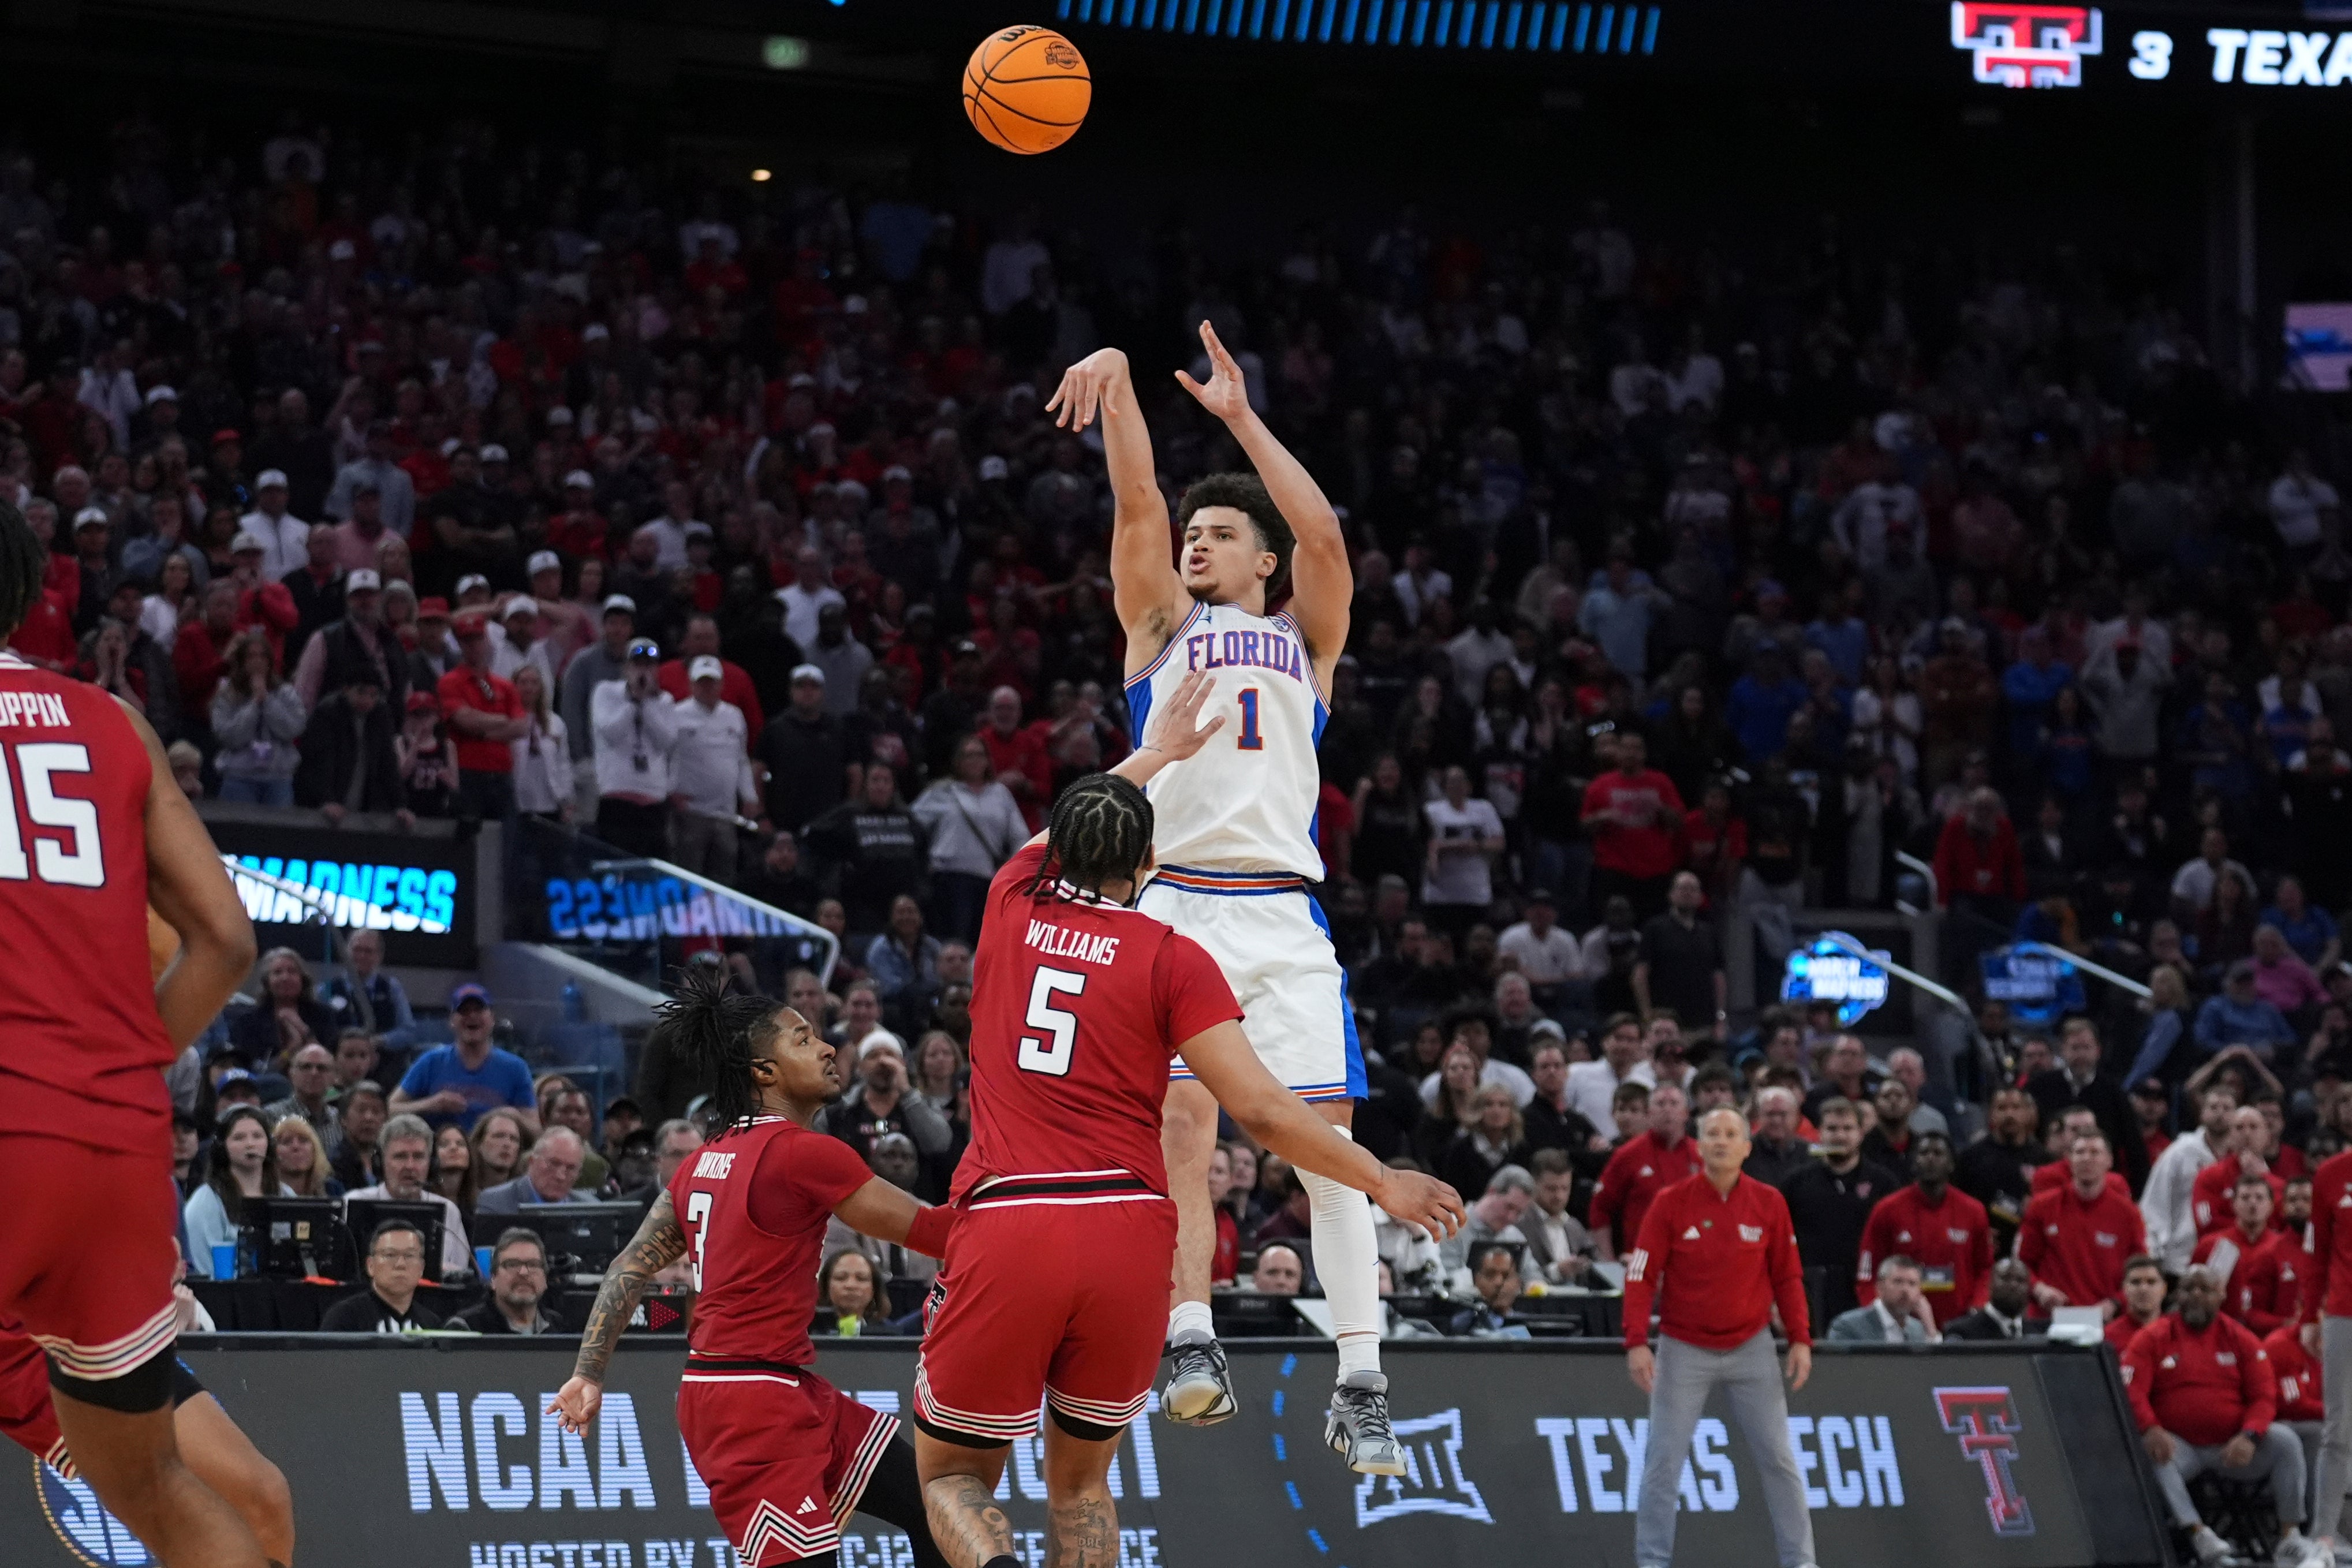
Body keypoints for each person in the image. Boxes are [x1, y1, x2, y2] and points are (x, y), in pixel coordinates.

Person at [908, 669, 1465, 1567]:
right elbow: (1264, 1113)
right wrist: (1381, 1180)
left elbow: (1078, 821)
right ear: (1149, 868)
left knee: (949, 1478)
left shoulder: (1010, 898)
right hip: (1131, 1242)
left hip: (1013, 1221)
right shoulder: (1172, 955)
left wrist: (1157, 752)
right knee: (1083, 1487)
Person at [1054, 332, 1410, 1462]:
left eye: (1222, 533)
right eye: (1196, 533)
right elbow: (1138, 503)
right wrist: (1116, 381)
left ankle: (1361, 1377)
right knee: (1180, 1126)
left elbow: (1325, 534)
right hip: (1173, 905)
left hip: (1281, 911)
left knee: (1330, 1151)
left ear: (1263, 562)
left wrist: (1244, 420)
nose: (1197, 541)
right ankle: (1193, 1333)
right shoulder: (1160, 628)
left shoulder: (1307, 639)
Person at [0, 500, 275, 1568]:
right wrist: (114, 1068)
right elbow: (227, 944)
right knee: (156, 1486)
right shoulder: (112, 721)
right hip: (115, 1152)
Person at [547, 970, 969, 1568]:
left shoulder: (700, 1162)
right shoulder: (804, 1153)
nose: (827, 1047)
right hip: (750, 1403)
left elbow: (626, 1266)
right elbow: (934, 1232)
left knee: (938, 1511)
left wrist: (587, 1374)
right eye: (802, 1039)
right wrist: (1012, 1200)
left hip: (777, 1386)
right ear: (763, 1073)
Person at [1623, 1107, 1816, 1568]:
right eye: (1713, 1134)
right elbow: (1641, 1274)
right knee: (1663, 1463)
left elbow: (1788, 1276)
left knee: (1780, 1461)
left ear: (1748, 1147)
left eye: (1732, 1134)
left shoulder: (1769, 1203)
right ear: (1699, 1145)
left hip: (1752, 1346)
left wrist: (1801, 1338)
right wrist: (1635, 1340)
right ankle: (1652, 1562)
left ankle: (1802, 1562)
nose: (1722, 1142)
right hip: (1684, 1346)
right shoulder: (1671, 1202)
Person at [2127, 1265, 2328, 1567]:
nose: (2196, 1295)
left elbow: (2264, 1395)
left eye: (2205, 1289)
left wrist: (2251, 1434)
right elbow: (2132, 1390)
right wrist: (2150, 1428)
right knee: (2150, 1453)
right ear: (2177, 1295)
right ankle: (2198, 1533)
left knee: (2286, 1440)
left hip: (2233, 1447)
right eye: (2189, 1289)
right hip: (2179, 1446)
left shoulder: (2241, 1338)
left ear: (2221, 1296)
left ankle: (2290, 1536)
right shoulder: (2152, 1337)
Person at [1853, 1130, 1992, 1330]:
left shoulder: (1973, 1211)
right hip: (1901, 1326)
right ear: (1914, 1162)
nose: (1930, 1159)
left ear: (1951, 1164)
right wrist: (1880, 1317)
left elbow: (1985, 1268)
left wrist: (1978, 1307)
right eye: (1924, 1153)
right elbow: (1868, 1271)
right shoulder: (1887, 1209)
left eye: (1938, 1153)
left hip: (1961, 1325)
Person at [1779, 1096, 1899, 1323]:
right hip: (1809, 1292)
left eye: (1848, 1128)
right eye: (1832, 1128)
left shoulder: (1884, 1184)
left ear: (1861, 1134)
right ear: (1819, 1133)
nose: (1840, 1135)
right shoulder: (1795, 1183)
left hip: (1865, 1292)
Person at [2021, 1131, 2146, 1314]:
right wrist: (2040, 1290)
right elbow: (2023, 1264)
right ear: (2069, 1160)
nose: (2087, 1158)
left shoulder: (2128, 1214)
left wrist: (2115, 1303)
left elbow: (2140, 1271)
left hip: (2105, 1320)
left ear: (2109, 1161)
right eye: (2080, 1152)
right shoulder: (2042, 1207)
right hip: (2050, 1317)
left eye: (2095, 1152)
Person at [389, 984, 539, 1133]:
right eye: (464, 1011)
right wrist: (432, 1104)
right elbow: (391, 1109)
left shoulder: (515, 1068)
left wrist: (512, 1116)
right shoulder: (431, 1061)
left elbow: (535, 1130)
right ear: (452, 1021)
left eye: (479, 1010)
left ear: (492, 1018)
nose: (472, 1016)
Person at [342, 1113, 473, 1279]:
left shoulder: (448, 1211)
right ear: (380, 1163)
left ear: (432, 1164)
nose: (410, 1166)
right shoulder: (354, 1202)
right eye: (400, 1156)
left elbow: (460, 1277)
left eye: (418, 1157)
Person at [1588, 1081, 1700, 1260]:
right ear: (1649, 1114)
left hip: (1692, 1260)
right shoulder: (1628, 1155)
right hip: (1642, 1261)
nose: (1667, 1110)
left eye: (1674, 1104)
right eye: (1661, 1104)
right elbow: (1599, 1209)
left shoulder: (1701, 1156)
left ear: (1686, 1114)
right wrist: (1609, 1263)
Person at [2190, 1171, 2300, 1335]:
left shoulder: (2287, 1248)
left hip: (2272, 1335)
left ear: (2271, 1205)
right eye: (2245, 1198)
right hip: (2219, 1334)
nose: (2253, 1204)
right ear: (2233, 1204)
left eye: (2259, 1198)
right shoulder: (2210, 1246)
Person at [1633, 870, 1726, 1041]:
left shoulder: (1709, 932)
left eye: (1693, 889)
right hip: (1666, 1023)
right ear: (1671, 895)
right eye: (1682, 888)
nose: (1687, 893)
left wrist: (1720, 1017)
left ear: (1700, 897)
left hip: (1703, 1024)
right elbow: (1641, 973)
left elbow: (1718, 976)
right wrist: (1646, 1014)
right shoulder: (1655, 928)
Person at [317, 1219, 444, 1334]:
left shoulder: (431, 1324)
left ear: (421, 1268)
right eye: (390, 1255)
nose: (400, 1264)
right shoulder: (344, 1318)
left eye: (410, 1256)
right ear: (370, 1266)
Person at [449, 1230, 570, 1335]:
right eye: (512, 1265)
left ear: (545, 1279)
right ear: (493, 1279)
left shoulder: (558, 1326)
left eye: (533, 1265)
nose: (523, 1272)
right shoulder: (464, 1328)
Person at [475, 1126, 597, 1212]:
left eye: (571, 1168)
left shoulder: (591, 1208)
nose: (561, 1176)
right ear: (532, 1161)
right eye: (554, 1164)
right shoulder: (495, 1203)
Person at [1828, 1255, 1940, 1342]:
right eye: (1898, 1282)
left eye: (1912, 1284)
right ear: (1880, 1287)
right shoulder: (1848, 1326)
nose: (1905, 1290)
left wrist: (1930, 1329)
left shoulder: (1918, 1330)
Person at [1946, 1257, 2045, 1341]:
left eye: (2020, 1280)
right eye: (2005, 1278)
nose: (2013, 1285)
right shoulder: (1962, 1332)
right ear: (1990, 1284)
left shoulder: (2040, 1335)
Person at [2105, 1255, 2171, 1350]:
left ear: (2164, 1289)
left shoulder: (2177, 1334)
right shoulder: (2108, 1337)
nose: (2143, 1289)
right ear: (2124, 1289)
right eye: (2135, 1282)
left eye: (2151, 1282)